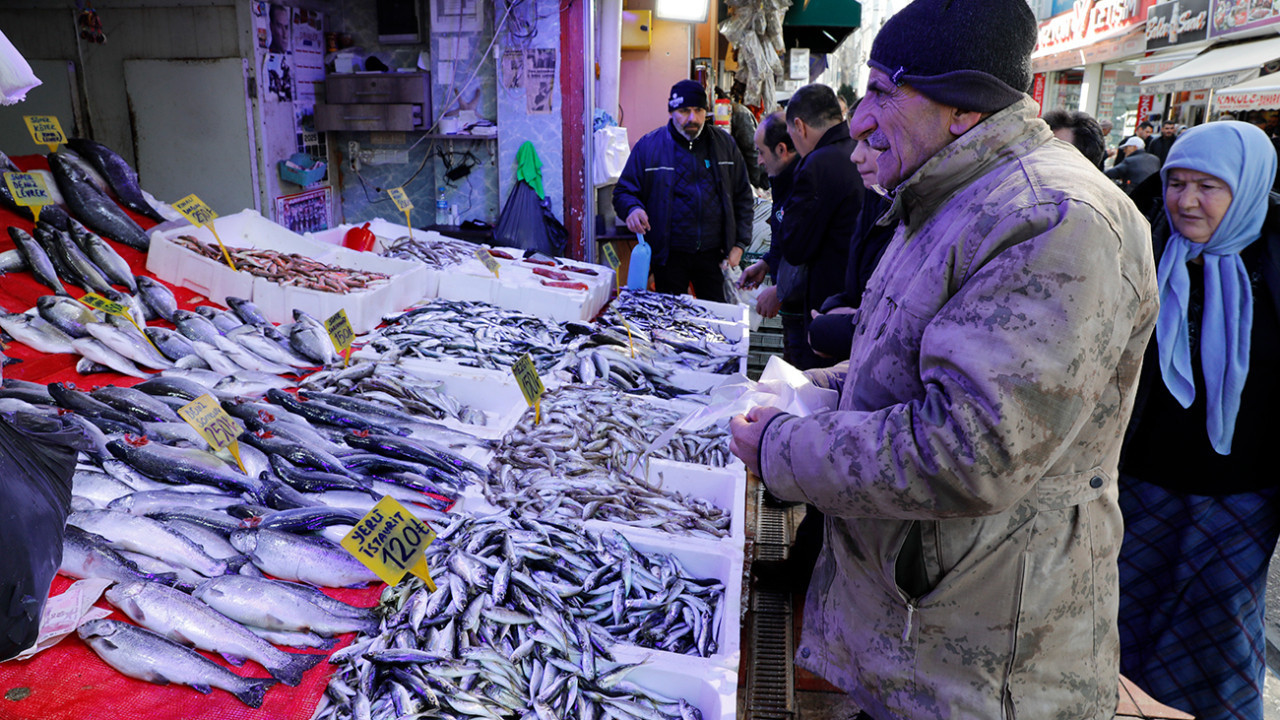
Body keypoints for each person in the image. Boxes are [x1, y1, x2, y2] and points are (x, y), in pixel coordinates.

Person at [727, 0, 1159, 714]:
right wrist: (811, 386)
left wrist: (784, 447)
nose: (859, 121)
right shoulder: (950, 196)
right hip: (917, 635)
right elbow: (905, 359)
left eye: (884, 92)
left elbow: (972, 448)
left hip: (983, 664)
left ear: (961, 108)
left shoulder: (1053, 219)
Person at [1116, 121, 1280, 720]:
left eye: (1208, 187)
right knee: (1120, 624)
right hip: (1138, 488)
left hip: (1242, 498)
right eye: (1176, 183)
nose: (1185, 201)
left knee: (1218, 636)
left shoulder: (1275, 260)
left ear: (1248, 186)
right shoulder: (1138, 250)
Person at [612, 79, 753, 302]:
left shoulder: (725, 145)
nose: (692, 118)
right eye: (684, 111)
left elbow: (743, 196)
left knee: (715, 317)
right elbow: (623, 192)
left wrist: (740, 244)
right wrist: (632, 209)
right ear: (671, 112)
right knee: (671, 316)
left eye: (698, 110)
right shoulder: (649, 146)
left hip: (715, 257)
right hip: (668, 257)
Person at [769, 83, 863, 370]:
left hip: (825, 306)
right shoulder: (857, 150)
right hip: (854, 303)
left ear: (799, 126)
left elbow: (795, 246)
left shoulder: (817, 164)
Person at [806, 137, 894, 361]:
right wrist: (834, 309)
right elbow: (855, 289)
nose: (855, 156)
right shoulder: (876, 196)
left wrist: (828, 327)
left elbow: (895, 330)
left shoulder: (915, 210)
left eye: (871, 142)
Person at [742, 111, 800, 322]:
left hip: (805, 310)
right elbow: (786, 237)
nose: (759, 161)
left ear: (781, 150)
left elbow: (809, 253)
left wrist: (780, 290)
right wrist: (767, 262)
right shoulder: (781, 178)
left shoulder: (805, 183)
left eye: (761, 152)